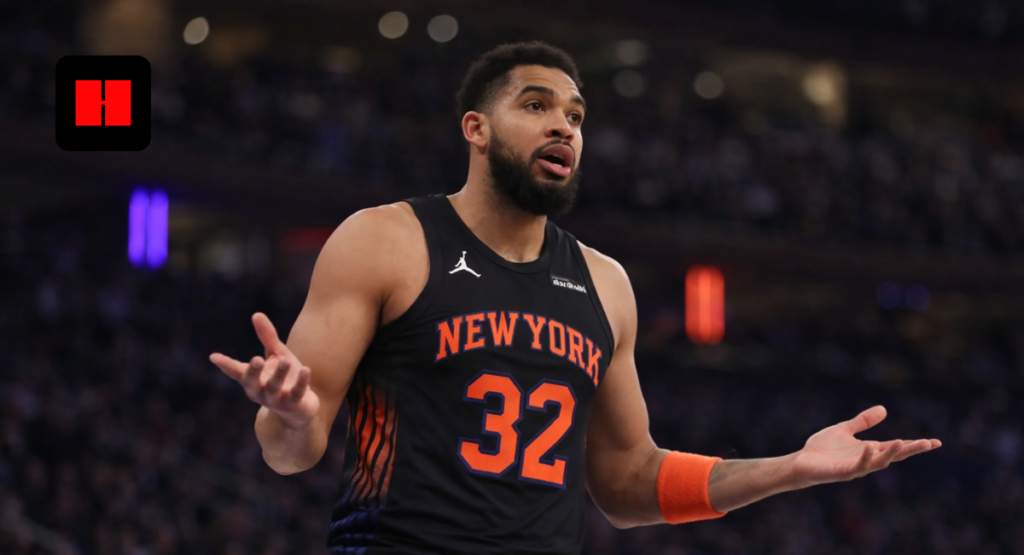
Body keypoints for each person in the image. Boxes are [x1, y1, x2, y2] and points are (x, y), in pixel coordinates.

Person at [209, 42, 941, 554]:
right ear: (477, 128)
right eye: (536, 105)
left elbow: (627, 481)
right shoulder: (386, 240)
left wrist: (790, 467)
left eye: (577, 116)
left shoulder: (605, 283)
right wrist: (293, 414)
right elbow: (287, 453)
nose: (565, 124)